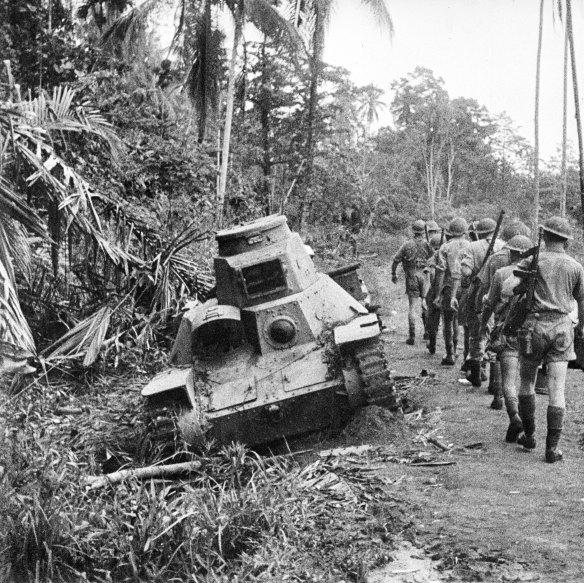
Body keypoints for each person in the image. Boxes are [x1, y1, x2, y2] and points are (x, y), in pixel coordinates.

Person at [502, 217, 584, 463]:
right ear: (567, 241)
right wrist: (580, 331)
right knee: (557, 390)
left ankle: (530, 436)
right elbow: (582, 302)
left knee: (526, 382)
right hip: (561, 328)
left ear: (544, 237)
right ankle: (552, 449)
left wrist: (524, 288)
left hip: (533, 327)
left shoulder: (531, 261)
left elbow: (507, 289)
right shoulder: (576, 266)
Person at [480, 235, 532, 432]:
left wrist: (483, 325)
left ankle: (515, 417)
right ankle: (529, 429)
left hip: (508, 331)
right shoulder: (537, 274)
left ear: (511, 252)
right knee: (528, 383)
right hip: (530, 332)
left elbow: (490, 303)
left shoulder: (502, 273)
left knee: (509, 382)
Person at [455, 217, 504, 386]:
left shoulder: (472, 247)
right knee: (497, 335)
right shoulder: (505, 246)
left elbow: (466, 272)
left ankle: (476, 374)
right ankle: (494, 384)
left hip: (479, 293)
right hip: (501, 295)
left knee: (477, 333)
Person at [434, 217, 470, 365]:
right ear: (465, 231)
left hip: (449, 287)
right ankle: (467, 357)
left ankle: (450, 353)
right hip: (466, 288)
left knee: (448, 321)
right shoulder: (471, 245)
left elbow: (441, 272)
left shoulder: (445, 247)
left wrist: (437, 294)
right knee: (465, 324)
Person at [392, 219, 433, 345]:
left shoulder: (407, 245)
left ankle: (412, 336)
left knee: (412, 307)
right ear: (424, 231)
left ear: (413, 231)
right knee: (426, 304)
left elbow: (395, 260)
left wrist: (393, 273)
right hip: (425, 276)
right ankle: (427, 333)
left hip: (411, 276)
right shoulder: (429, 245)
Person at [423, 232, 443, 354]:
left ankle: (432, 343)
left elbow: (428, 278)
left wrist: (424, 296)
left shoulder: (432, 259)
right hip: (446, 292)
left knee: (433, 320)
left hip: (434, 292)